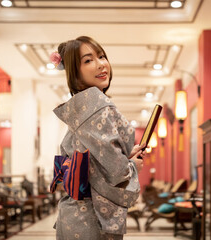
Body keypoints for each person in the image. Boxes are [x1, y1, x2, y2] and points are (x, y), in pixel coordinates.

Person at [51, 36, 146, 240]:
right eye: (88, 60)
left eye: (101, 56)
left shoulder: (80, 109)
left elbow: (97, 161)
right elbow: (117, 172)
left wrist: (126, 155)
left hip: (71, 215)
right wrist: (132, 167)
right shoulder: (99, 108)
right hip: (92, 221)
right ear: (74, 75)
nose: (101, 64)